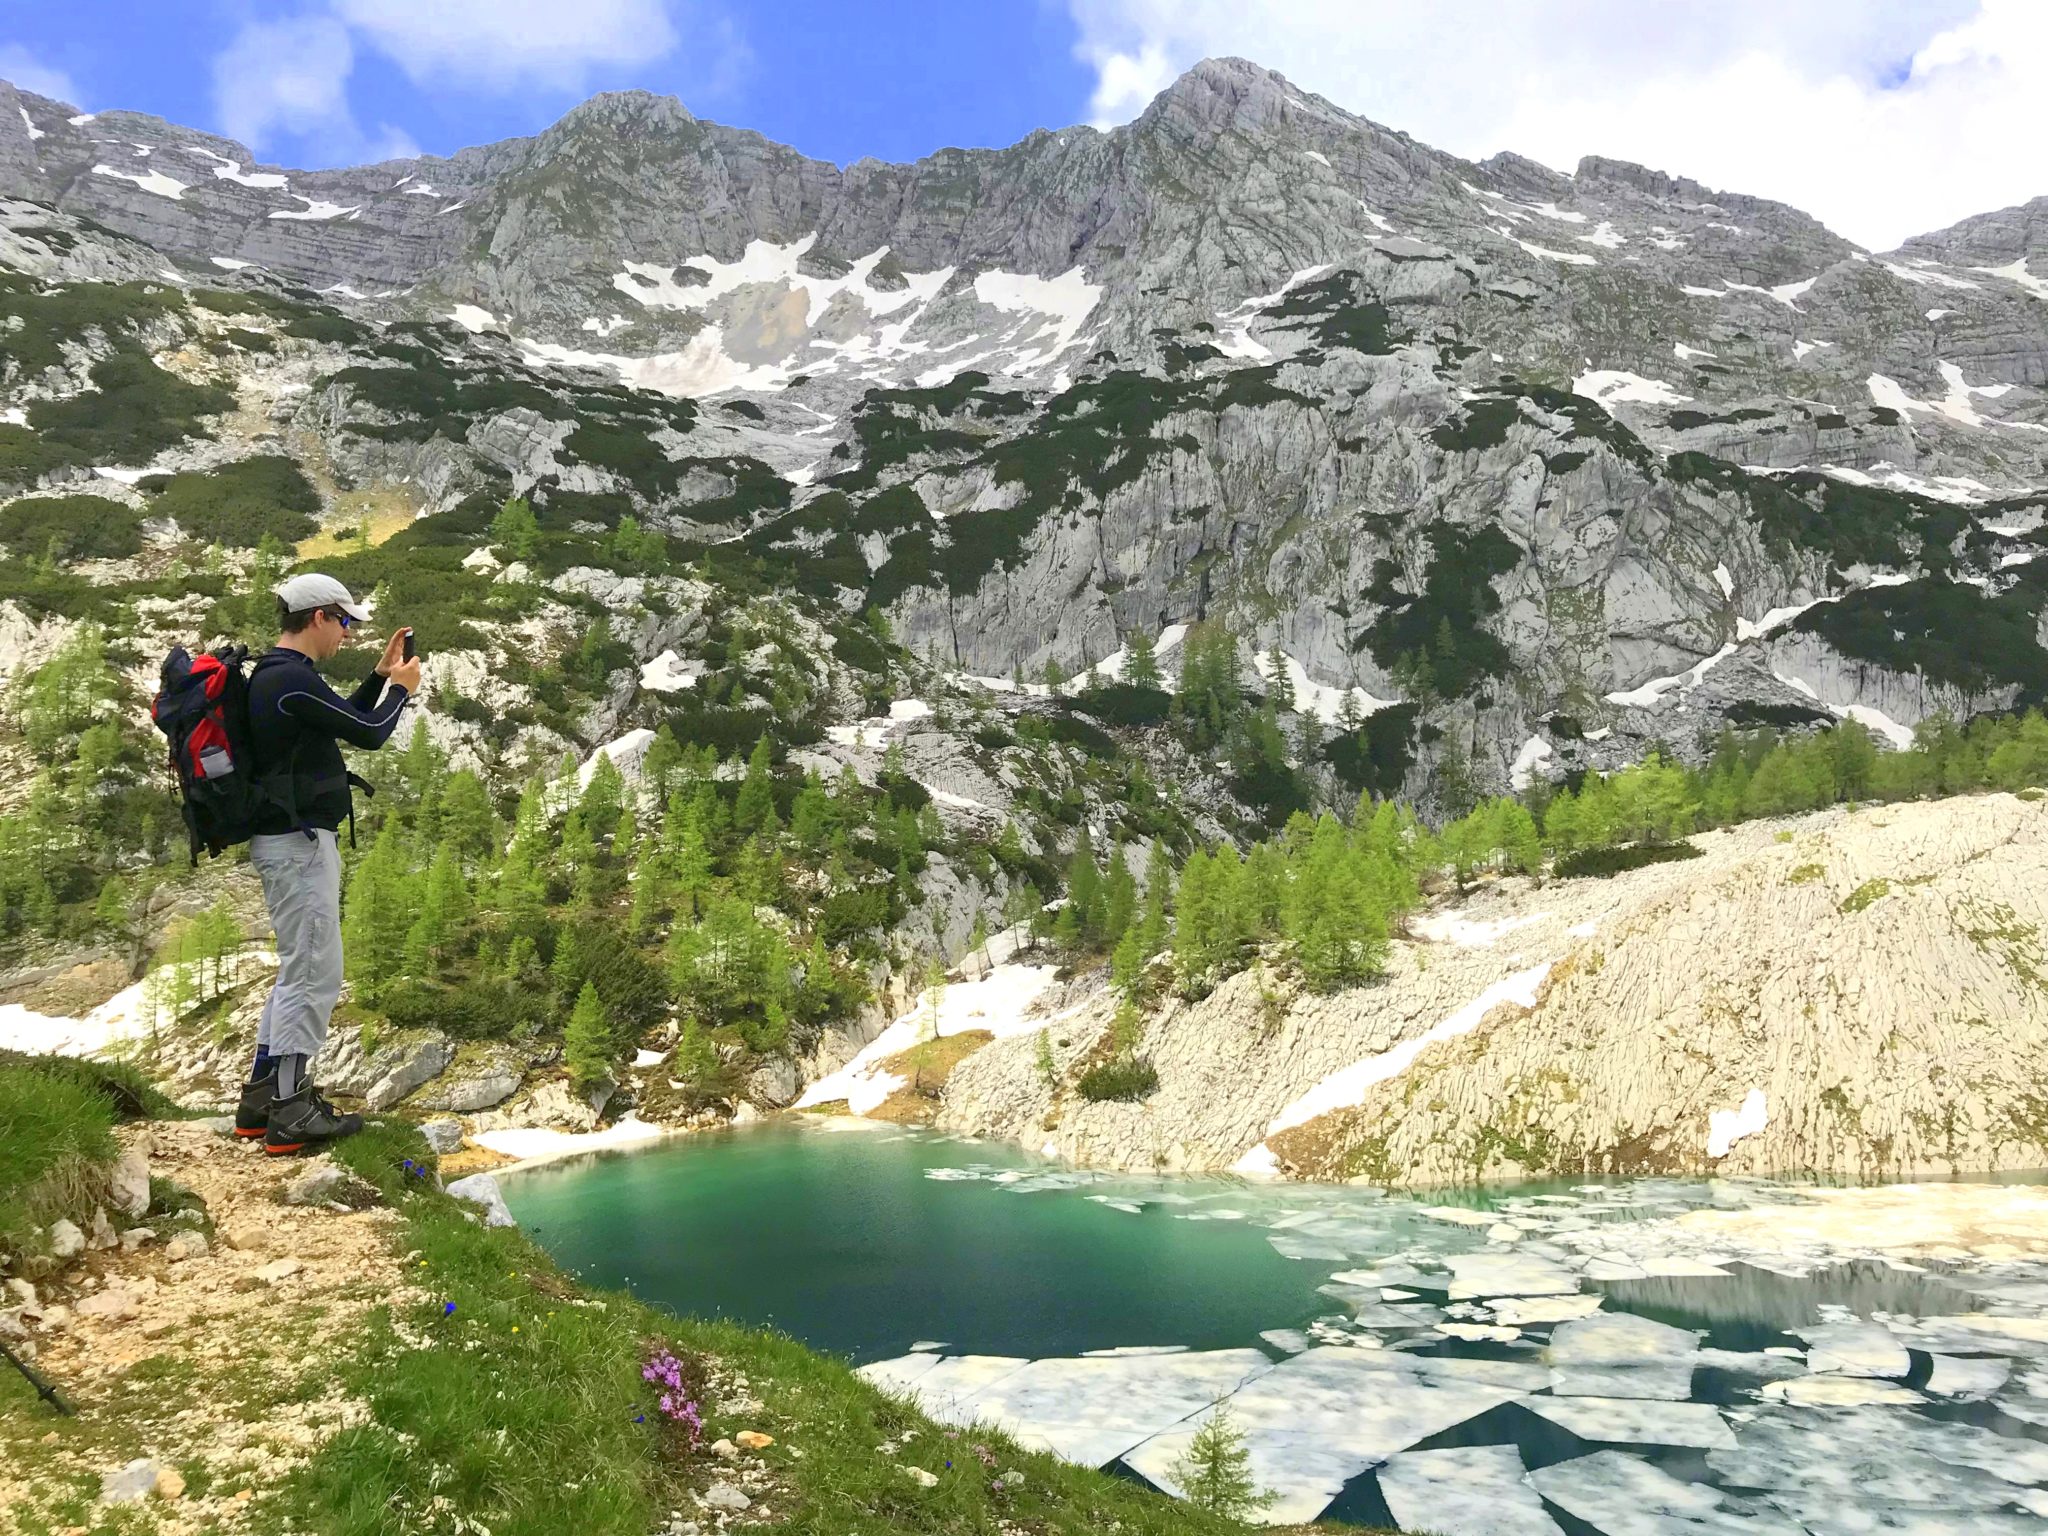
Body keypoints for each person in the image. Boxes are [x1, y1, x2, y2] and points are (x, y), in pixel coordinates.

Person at [233, 573, 420, 1155]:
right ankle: (290, 1111)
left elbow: (339, 717)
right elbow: (368, 733)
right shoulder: (290, 678)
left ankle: (263, 1097)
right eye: (345, 622)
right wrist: (403, 691)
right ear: (319, 617)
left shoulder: (280, 679)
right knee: (315, 973)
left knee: (298, 969)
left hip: (288, 842)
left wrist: (378, 678)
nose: (348, 633)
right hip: (299, 845)